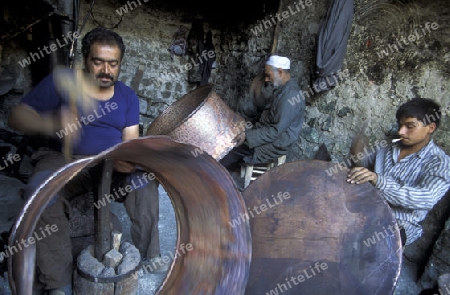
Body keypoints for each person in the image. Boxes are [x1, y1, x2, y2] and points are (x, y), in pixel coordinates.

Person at [9, 27, 166, 294]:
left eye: (113, 64)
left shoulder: (127, 97)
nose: (106, 70)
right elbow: (16, 117)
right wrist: (51, 122)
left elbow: (130, 142)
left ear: (120, 65)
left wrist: (124, 159)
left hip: (110, 162)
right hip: (63, 159)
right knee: (41, 190)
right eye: (98, 62)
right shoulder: (62, 82)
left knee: (144, 181)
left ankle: (149, 255)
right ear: (85, 60)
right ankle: (59, 283)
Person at [347, 98, 450, 246]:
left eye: (410, 126)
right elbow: (367, 172)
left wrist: (380, 181)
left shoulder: (440, 162)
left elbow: (426, 198)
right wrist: (358, 157)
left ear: (430, 127)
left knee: (372, 248)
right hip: (368, 209)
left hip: (398, 224)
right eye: (400, 125)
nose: (401, 131)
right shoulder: (390, 144)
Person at [220, 55, 305, 169]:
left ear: (280, 72)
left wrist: (248, 136)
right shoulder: (283, 89)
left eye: (268, 76)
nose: (266, 79)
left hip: (278, 142)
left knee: (229, 153)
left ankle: (217, 178)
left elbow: (275, 131)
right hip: (271, 134)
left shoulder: (290, 96)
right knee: (234, 137)